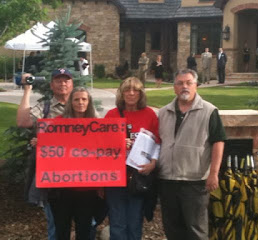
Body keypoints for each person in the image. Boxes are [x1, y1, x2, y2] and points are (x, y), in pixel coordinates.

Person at [157, 69, 226, 240]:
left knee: (196, 230)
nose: (184, 87)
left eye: (189, 83)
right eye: (180, 83)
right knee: (172, 229)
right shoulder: (164, 113)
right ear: (174, 88)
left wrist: (214, 173)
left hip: (195, 182)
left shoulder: (209, 111)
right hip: (167, 180)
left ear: (196, 86)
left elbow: (218, 142)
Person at [16, 68, 74, 240]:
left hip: (80, 175)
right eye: (58, 80)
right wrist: (27, 90)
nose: (62, 83)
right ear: (52, 84)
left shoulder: (82, 104)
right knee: (54, 223)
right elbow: (23, 121)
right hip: (53, 176)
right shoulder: (45, 107)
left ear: (72, 84)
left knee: (87, 222)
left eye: (66, 80)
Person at [105, 77, 160, 240]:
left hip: (138, 175)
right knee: (117, 222)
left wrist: (153, 163)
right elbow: (101, 144)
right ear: (121, 94)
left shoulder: (149, 114)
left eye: (135, 90)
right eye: (127, 90)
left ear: (141, 93)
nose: (131, 93)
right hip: (115, 175)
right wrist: (117, 142)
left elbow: (157, 142)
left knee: (135, 221)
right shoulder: (111, 114)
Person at [48, 86, 99, 240]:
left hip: (87, 189)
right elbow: (49, 149)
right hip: (61, 188)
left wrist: (119, 142)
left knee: (84, 229)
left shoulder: (98, 126)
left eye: (84, 99)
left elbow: (105, 152)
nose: (80, 102)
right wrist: (40, 142)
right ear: (71, 102)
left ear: (89, 102)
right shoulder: (58, 122)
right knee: (61, 228)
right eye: (76, 99)